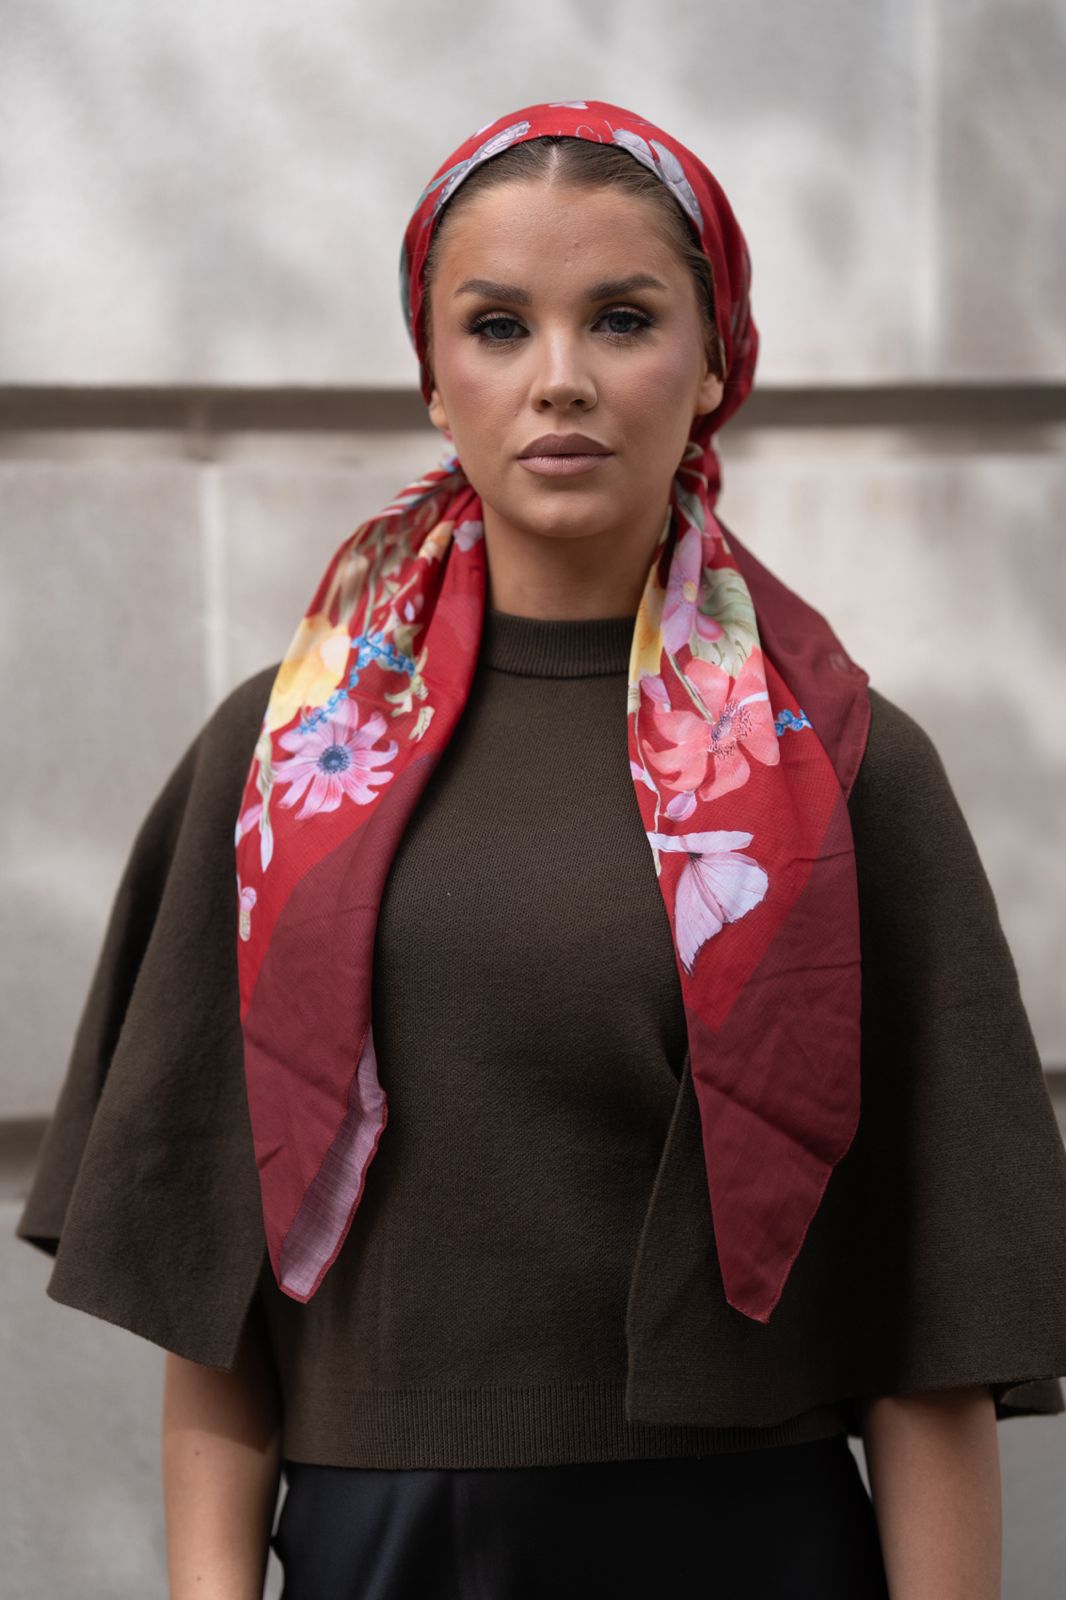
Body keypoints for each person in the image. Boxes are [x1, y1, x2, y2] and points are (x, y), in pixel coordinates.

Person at [16, 99, 1066, 1600]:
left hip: (745, 1550)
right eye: (497, 325)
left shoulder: (844, 769)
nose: (558, 380)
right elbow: (221, 1300)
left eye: (621, 319)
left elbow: (926, 1334)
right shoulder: (278, 768)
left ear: (713, 365)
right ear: (433, 377)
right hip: (384, 1545)